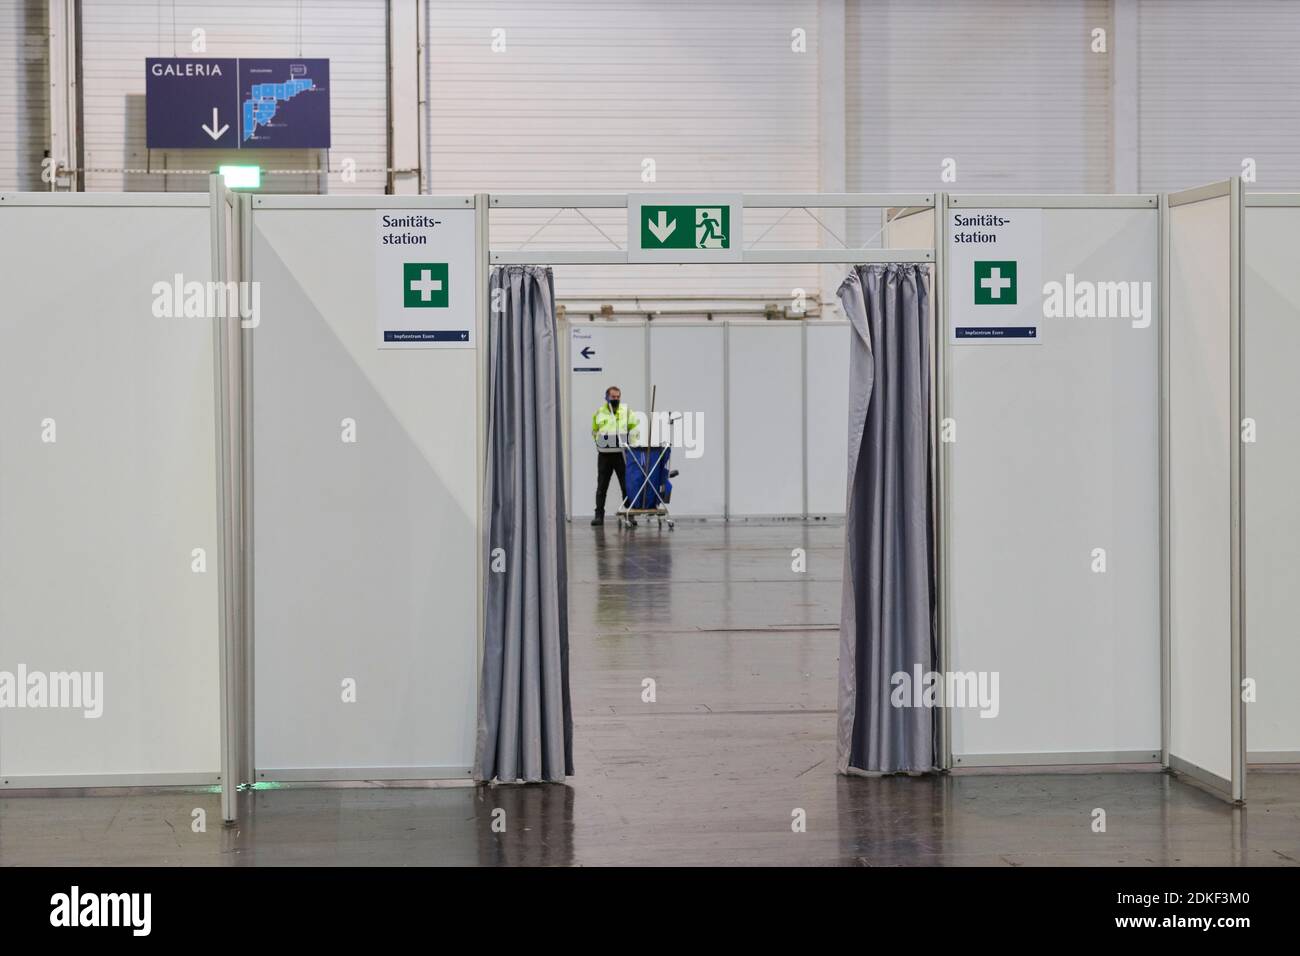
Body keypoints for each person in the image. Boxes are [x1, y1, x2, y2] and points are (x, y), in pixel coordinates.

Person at [590, 385, 639, 525]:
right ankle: (599, 516)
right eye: (613, 397)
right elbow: (594, 431)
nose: (616, 399)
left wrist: (631, 444)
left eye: (618, 397)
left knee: (626, 485)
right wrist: (599, 441)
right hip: (604, 455)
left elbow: (634, 428)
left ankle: (630, 514)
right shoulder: (599, 413)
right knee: (602, 486)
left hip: (621, 454)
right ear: (607, 397)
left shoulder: (627, 412)